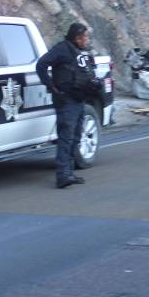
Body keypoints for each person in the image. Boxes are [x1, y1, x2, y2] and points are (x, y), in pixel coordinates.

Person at [35, 22, 102, 189]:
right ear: (77, 37)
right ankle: (62, 175)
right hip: (66, 101)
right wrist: (51, 87)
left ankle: (69, 172)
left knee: (76, 136)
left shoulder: (81, 52)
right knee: (66, 137)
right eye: (85, 36)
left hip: (79, 99)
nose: (87, 39)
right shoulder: (62, 49)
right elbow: (41, 65)